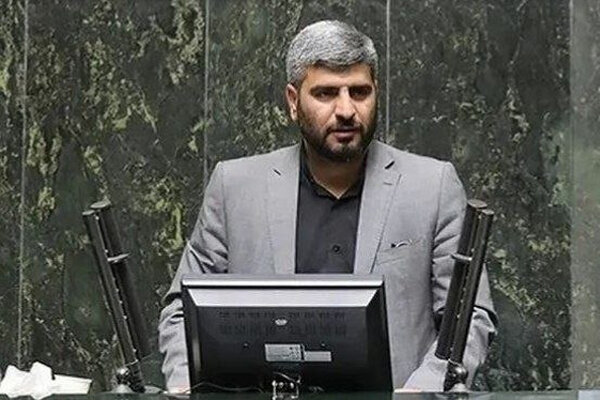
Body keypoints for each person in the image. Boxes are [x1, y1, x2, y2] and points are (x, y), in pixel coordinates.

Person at [158, 20, 497, 393]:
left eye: (360, 92)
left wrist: (423, 391)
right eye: (326, 93)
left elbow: (469, 316)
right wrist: (187, 385)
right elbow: (180, 310)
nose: (347, 109)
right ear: (293, 102)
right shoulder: (234, 186)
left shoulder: (433, 186)